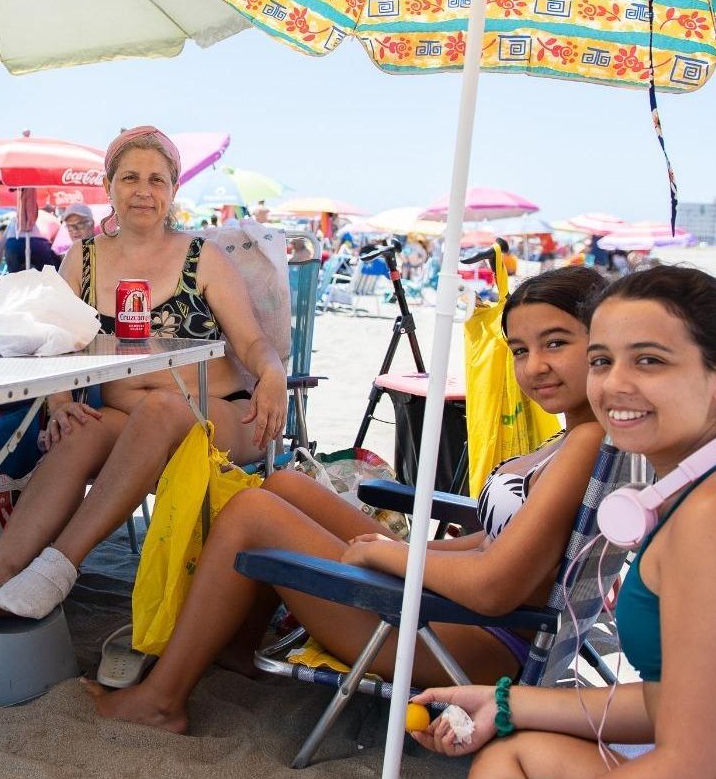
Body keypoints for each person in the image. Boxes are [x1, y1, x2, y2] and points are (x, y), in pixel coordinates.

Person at [83, 267, 610, 733]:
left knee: (251, 512)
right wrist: (389, 549)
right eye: (520, 349)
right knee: (285, 484)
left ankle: (160, 701)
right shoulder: (575, 437)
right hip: (459, 614)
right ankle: (233, 645)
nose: (534, 365)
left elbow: (496, 588)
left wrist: (389, 555)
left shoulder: (585, 445)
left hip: (467, 641)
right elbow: (498, 543)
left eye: (556, 343)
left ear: (603, 342)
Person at [415, 265, 716, 779]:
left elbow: (695, 764)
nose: (614, 384)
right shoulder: (706, 484)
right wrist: (505, 704)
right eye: (601, 361)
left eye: (649, 361)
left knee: (505, 765)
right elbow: (671, 702)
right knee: (512, 753)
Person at [0, 126, 289, 626]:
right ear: (108, 186)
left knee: (162, 408)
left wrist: (273, 374)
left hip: (220, 417)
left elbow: (254, 343)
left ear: (172, 190)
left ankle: (60, 566)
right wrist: (60, 403)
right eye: (130, 177)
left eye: (156, 179)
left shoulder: (202, 257)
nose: (143, 190)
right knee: (79, 432)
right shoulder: (82, 260)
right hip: (124, 421)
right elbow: (54, 342)